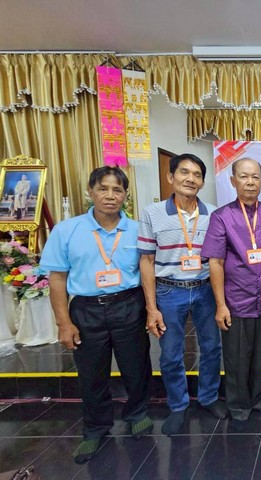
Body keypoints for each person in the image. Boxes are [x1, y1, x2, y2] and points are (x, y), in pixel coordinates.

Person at [40, 166, 152, 464]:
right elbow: (57, 279)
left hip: (129, 304)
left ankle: (137, 413)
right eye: (103, 189)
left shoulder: (137, 229)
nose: (110, 196)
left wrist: (151, 309)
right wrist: (64, 323)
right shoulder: (67, 230)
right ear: (90, 192)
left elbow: (146, 268)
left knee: (136, 365)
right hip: (86, 309)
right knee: (91, 373)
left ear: (125, 195)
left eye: (117, 190)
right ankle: (95, 428)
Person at [138, 153, 226, 436]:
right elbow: (146, 260)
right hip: (169, 290)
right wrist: (151, 307)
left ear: (202, 182)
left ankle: (209, 397)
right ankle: (178, 405)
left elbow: (218, 259)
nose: (190, 179)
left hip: (204, 289)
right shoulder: (152, 213)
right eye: (184, 172)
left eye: (197, 174)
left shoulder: (213, 213)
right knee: (171, 353)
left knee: (211, 347)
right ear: (170, 176)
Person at [201, 158, 261, 428]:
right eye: (244, 176)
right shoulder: (221, 217)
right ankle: (238, 405)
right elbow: (215, 262)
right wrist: (220, 305)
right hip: (236, 300)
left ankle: (257, 397)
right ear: (233, 180)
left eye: (255, 177)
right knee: (237, 356)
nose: (250, 182)